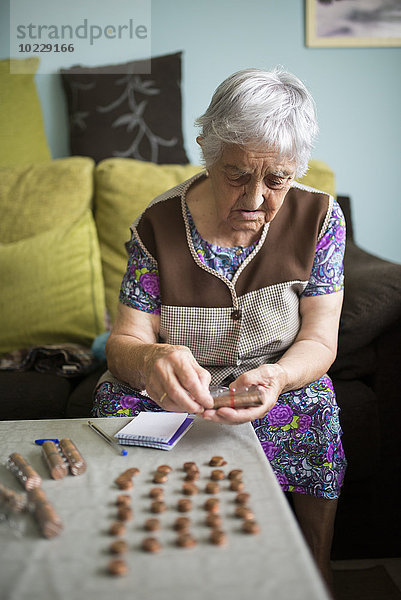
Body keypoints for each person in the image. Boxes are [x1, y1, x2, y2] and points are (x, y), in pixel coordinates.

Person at [93, 67, 347, 588]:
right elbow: (126, 341)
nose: (254, 199)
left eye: (276, 179)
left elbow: (319, 339)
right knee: (113, 408)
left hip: (271, 378)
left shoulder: (320, 219)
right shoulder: (156, 225)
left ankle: (312, 575)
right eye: (236, 175)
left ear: (296, 168)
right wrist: (150, 360)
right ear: (207, 150)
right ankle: (152, 571)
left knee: (318, 411)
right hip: (182, 387)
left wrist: (277, 377)